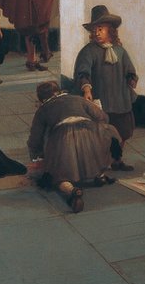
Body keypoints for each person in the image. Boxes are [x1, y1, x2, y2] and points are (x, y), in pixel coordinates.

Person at [27, 80, 123, 213]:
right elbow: (103, 117)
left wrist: (37, 156)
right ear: (59, 91)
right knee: (105, 135)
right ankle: (99, 175)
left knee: (58, 174)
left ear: (42, 99)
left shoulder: (43, 110)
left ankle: (71, 190)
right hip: (92, 135)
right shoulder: (77, 99)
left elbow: (35, 139)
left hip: (63, 140)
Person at [74, 5, 138, 171]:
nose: (96, 33)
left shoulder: (120, 51)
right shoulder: (88, 51)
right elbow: (83, 73)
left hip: (121, 99)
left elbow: (130, 69)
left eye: (100, 29)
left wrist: (131, 78)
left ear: (110, 30)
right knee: (102, 134)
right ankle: (100, 163)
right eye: (94, 30)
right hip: (101, 100)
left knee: (123, 132)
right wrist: (87, 89)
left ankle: (117, 160)